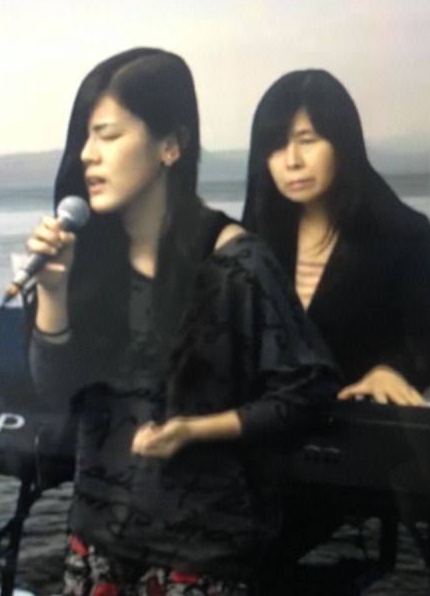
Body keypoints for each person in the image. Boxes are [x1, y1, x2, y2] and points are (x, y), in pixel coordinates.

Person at [26, 49, 340, 596]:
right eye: (84, 138)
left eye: (107, 135)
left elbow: (308, 391)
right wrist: (52, 293)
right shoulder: (88, 260)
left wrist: (196, 430)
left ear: (172, 144)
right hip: (97, 544)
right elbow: (54, 390)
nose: (87, 155)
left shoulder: (235, 263)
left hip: (203, 556)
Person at [242, 69, 430, 592]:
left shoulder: (401, 234)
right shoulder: (249, 240)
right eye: (276, 147)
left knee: (242, 553)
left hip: (344, 449)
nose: (291, 160)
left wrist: (394, 371)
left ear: (342, 142)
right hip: (251, 447)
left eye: (307, 140)